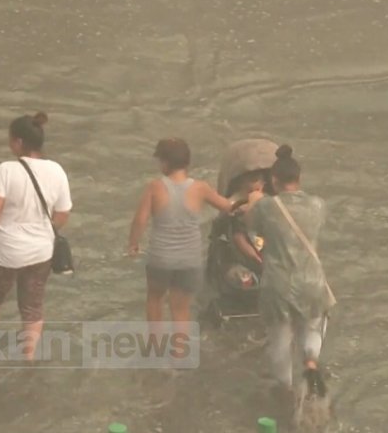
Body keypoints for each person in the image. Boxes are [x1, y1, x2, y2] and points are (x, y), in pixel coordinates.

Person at [0, 112, 72, 369]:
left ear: (17, 142)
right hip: (40, 252)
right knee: (32, 305)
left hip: (5, 251)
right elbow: (62, 213)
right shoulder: (57, 170)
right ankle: (28, 356)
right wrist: (44, 231)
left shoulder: (6, 170)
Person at [244, 145, 334, 398]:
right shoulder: (318, 205)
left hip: (279, 284)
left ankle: (285, 392)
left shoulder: (266, 207)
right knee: (313, 327)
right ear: (299, 178)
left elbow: (254, 231)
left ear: (274, 180)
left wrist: (253, 201)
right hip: (312, 281)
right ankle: (311, 363)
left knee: (280, 341)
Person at [128, 138, 235, 323]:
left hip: (161, 258)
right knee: (181, 310)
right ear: (187, 162)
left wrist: (133, 243)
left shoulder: (155, 187)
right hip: (189, 260)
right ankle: (180, 352)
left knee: (155, 299)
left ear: (164, 163)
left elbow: (140, 220)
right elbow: (228, 207)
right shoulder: (200, 188)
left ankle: (156, 348)